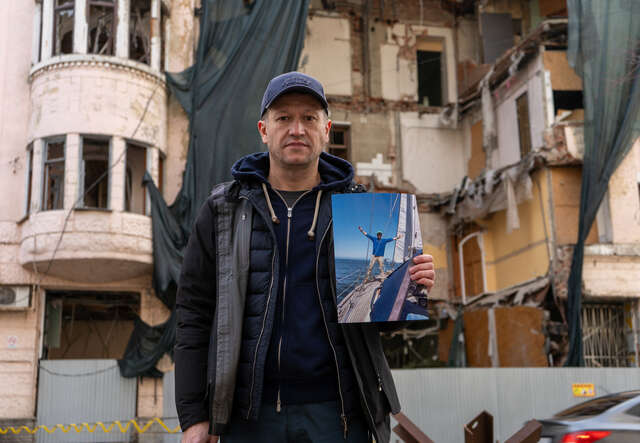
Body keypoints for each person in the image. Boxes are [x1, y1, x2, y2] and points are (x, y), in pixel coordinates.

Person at [175, 72, 436, 443]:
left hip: (339, 415)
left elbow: (375, 326)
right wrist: (194, 415)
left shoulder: (361, 209)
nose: (297, 128)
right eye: (284, 118)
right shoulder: (225, 210)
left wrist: (411, 287)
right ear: (264, 129)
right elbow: (193, 315)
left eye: (309, 118)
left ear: (326, 129)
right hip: (249, 418)